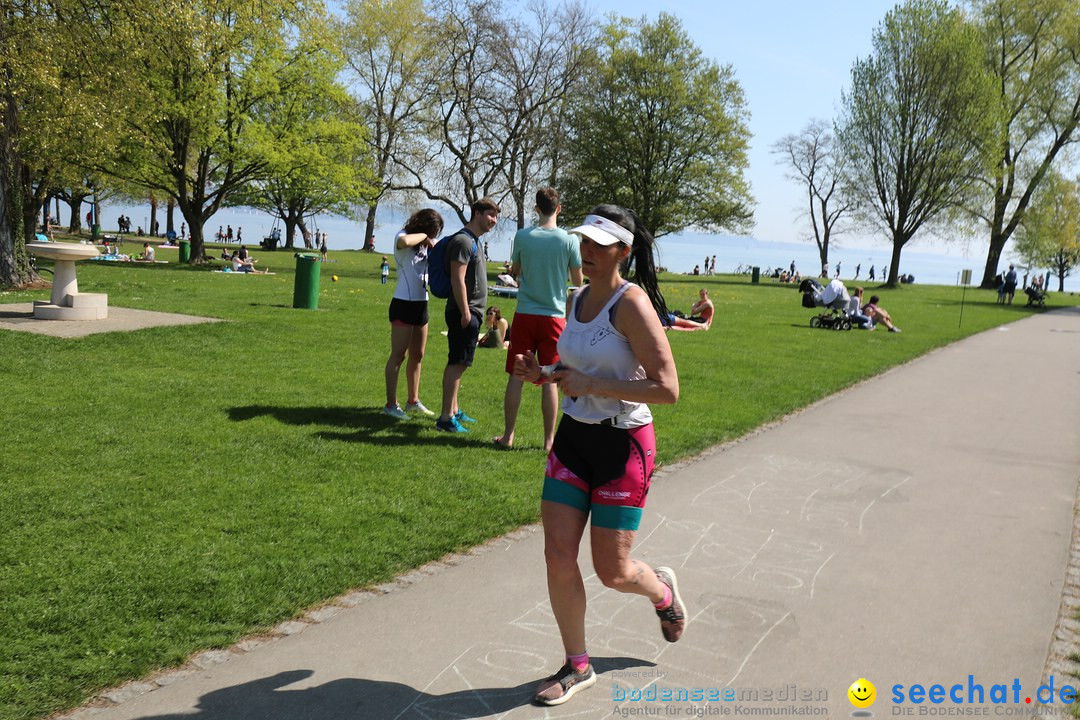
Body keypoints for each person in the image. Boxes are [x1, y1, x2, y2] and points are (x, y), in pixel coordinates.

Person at [513, 204, 684, 707]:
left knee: (613, 571)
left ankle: (662, 592)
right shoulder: (576, 298)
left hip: (622, 444)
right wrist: (543, 373)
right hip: (574, 439)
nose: (585, 252)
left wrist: (593, 384)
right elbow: (575, 364)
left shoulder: (632, 305)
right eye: (582, 242)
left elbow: (668, 389)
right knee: (557, 553)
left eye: (598, 245)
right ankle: (577, 664)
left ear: (623, 252)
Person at [494, 188, 583, 451]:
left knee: (516, 375)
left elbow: (516, 270)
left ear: (536, 209)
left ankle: (508, 436)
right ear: (559, 208)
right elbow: (578, 282)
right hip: (554, 317)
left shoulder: (523, 236)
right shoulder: (569, 240)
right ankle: (548, 441)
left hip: (525, 313)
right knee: (551, 379)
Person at [436, 197, 500, 433]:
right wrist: (465, 312)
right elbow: (457, 278)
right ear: (477, 213)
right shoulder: (463, 241)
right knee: (456, 363)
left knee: (460, 363)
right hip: (464, 312)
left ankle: (453, 410)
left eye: (496, 216)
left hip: (470, 311)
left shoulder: (474, 241)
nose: (493, 221)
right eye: (490, 215)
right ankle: (445, 418)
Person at [384, 208, 444, 419]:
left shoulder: (427, 245)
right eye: (433, 230)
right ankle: (391, 404)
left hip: (421, 304)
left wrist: (435, 245)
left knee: (418, 355)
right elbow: (404, 243)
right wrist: (426, 237)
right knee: (399, 355)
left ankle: (413, 401)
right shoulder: (403, 236)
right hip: (403, 302)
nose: (434, 235)